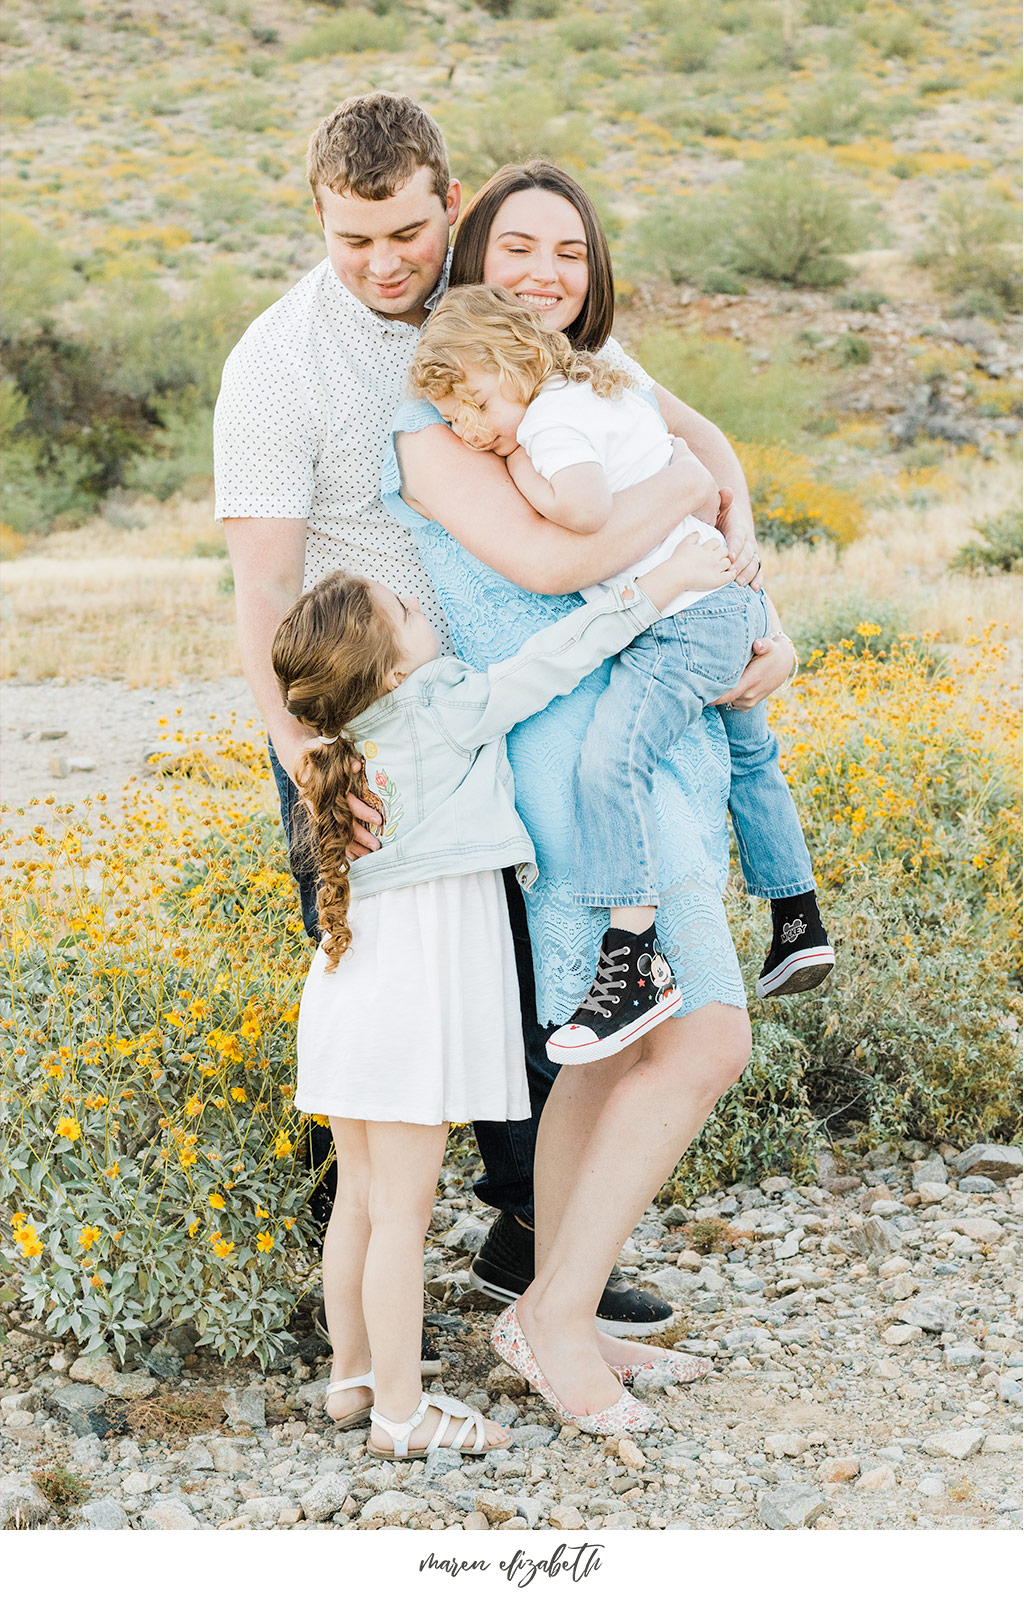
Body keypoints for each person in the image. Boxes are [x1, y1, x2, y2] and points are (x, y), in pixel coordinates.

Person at [213, 94, 769, 1336]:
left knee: (524, 977)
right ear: (317, 215)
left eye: (406, 231)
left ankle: (524, 1252)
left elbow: (679, 430)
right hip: (362, 725)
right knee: (370, 986)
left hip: (502, 691)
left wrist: (742, 555)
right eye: (353, 239)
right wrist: (309, 763)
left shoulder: (498, 317)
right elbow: (258, 591)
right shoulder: (278, 367)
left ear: (446, 206)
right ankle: (344, 1288)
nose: (382, 262)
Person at [382, 160, 800, 1426]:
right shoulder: (441, 405)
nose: (545, 273)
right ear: (469, 257)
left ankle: (553, 1308)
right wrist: (676, 495)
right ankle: (558, 1321)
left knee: (612, 1050)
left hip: (647, 716)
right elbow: (550, 557)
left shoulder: (587, 375)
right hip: (566, 736)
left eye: (569, 251)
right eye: (517, 248)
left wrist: (748, 598)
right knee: (702, 1034)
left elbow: (709, 442)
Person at [272, 545, 727, 1446]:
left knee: (362, 1198)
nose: (419, 601)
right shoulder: (440, 711)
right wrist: (651, 594)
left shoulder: (340, 752)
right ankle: (402, 1414)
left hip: (348, 1000)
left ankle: (352, 1376)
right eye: (402, 606)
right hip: (414, 1001)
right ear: (398, 668)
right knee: (402, 1211)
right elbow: (552, 662)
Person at [408, 284, 833, 1064]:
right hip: (719, 600)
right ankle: (797, 917)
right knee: (749, 754)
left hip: (684, 619)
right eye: (454, 419)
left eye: (473, 404)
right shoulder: (594, 386)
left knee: (610, 761)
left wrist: (522, 471)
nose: (469, 429)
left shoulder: (550, 421)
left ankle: (636, 957)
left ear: (519, 358)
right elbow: (692, 464)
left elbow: (585, 510)